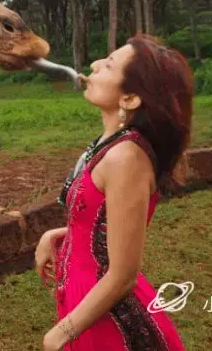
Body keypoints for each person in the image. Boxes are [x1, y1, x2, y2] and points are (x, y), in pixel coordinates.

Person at [36, 35, 193, 351]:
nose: (93, 65)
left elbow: (123, 274)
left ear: (131, 98)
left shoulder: (126, 159)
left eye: (108, 65)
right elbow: (105, 223)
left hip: (110, 322)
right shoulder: (111, 145)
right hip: (87, 302)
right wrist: (56, 235)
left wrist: (60, 333)